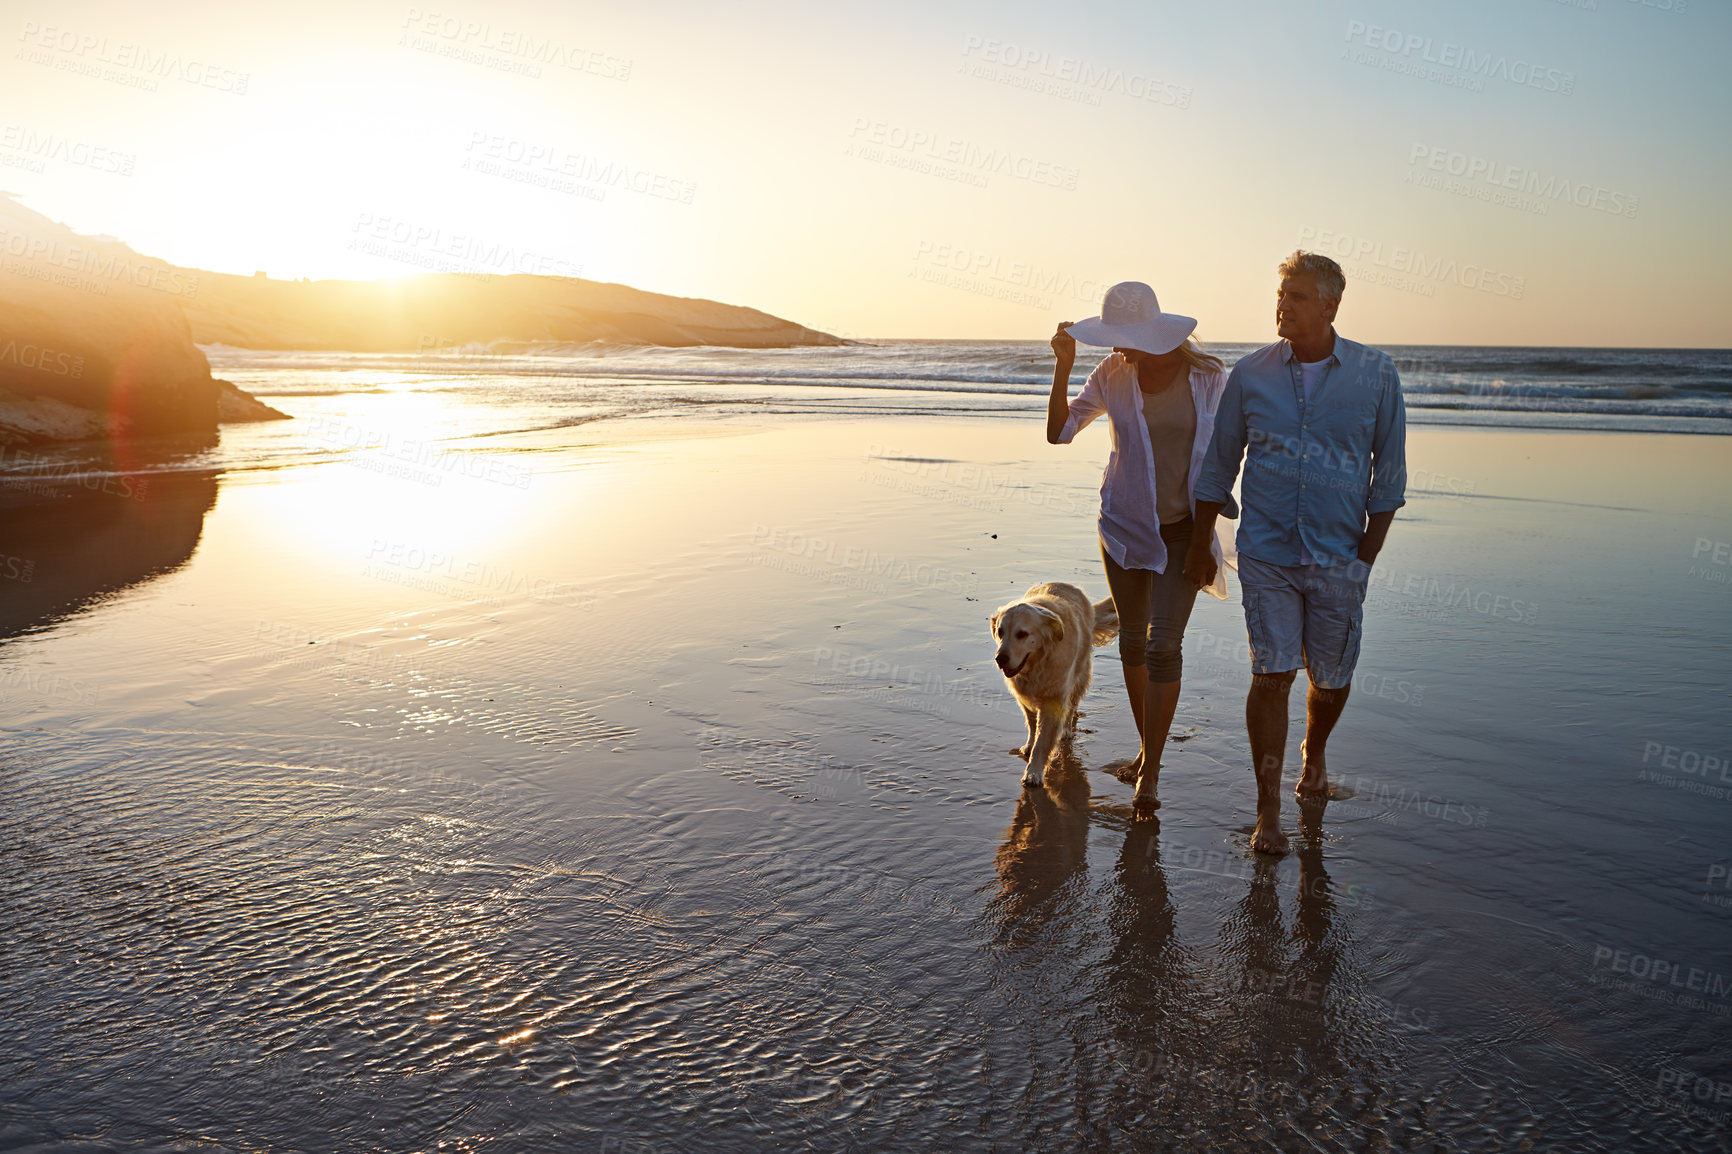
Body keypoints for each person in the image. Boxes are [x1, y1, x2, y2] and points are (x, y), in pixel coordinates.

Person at [1186, 251, 1407, 854]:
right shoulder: (1251, 374)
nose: (1282, 305)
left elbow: (1388, 480)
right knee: (1272, 673)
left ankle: (1315, 752)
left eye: (1297, 296)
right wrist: (1200, 540)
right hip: (1266, 552)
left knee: (1331, 680)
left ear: (1331, 304)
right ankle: (1267, 811)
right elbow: (1218, 465)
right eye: (1280, 293)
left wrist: (1363, 562)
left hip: (1339, 556)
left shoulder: (1376, 375)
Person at [1046, 280, 1233, 814]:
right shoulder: (1112, 374)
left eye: (1122, 337)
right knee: (1132, 641)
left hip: (1185, 531)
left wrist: (1204, 541)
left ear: (1154, 333)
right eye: (1111, 337)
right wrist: (1064, 364)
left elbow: (1223, 460)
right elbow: (1060, 433)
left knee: (1162, 645)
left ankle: (1149, 771)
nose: (1115, 346)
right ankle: (1149, 752)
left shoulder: (1208, 378)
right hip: (1124, 526)